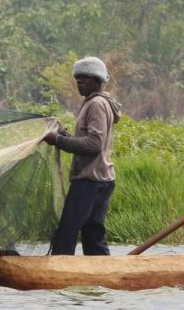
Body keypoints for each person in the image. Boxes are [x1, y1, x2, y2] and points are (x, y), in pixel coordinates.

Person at [42, 56, 123, 255]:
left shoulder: (96, 104)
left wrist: (58, 140)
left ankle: (58, 275)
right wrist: (65, 135)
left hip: (90, 180)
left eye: (85, 78)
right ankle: (101, 278)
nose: (79, 82)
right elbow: (91, 140)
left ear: (98, 80)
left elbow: (94, 144)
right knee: (92, 234)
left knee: (67, 233)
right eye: (77, 78)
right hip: (102, 178)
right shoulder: (99, 103)